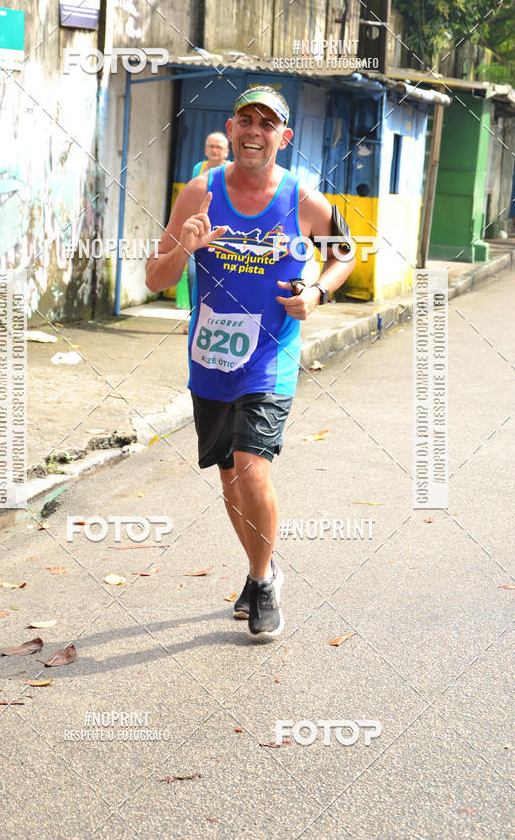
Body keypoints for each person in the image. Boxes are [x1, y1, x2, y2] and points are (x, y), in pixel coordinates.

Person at [146, 85, 355, 640]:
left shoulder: (303, 201)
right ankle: (258, 568)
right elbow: (154, 277)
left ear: (283, 138)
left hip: (271, 357)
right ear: (233, 130)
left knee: (252, 465)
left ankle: (262, 581)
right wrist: (185, 249)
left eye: (267, 124)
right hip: (210, 361)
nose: (254, 131)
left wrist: (317, 294)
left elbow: (344, 252)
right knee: (230, 478)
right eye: (246, 120)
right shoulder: (199, 192)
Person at [185, 132, 231, 324]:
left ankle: (218, 318)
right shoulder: (199, 168)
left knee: (221, 275)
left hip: (223, 233)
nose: (214, 150)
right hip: (198, 230)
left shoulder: (232, 171)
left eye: (219, 147)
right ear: (205, 149)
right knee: (192, 274)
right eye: (211, 146)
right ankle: (194, 316)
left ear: (227, 152)